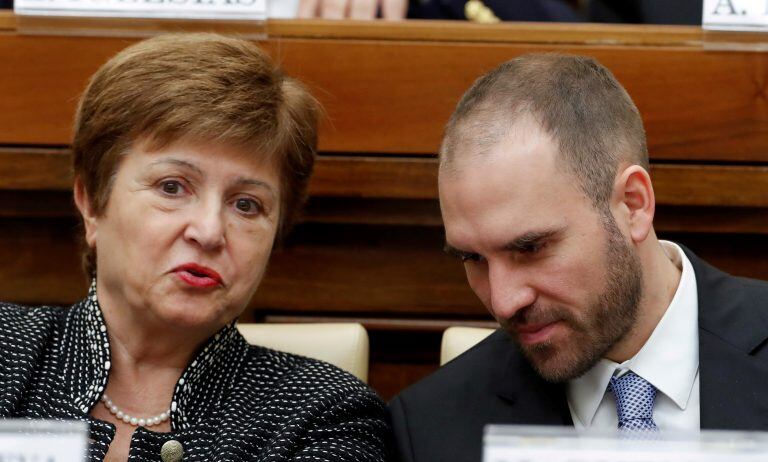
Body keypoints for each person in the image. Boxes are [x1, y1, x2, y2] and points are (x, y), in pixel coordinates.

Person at [0, 33, 389, 461]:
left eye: (246, 204)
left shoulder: (323, 414)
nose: (208, 231)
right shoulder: (8, 351)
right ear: (92, 201)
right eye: (172, 187)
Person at [389, 53, 768, 462]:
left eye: (530, 248)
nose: (503, 302)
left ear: (633, 204)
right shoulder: (431, 427)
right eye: (473, 258)